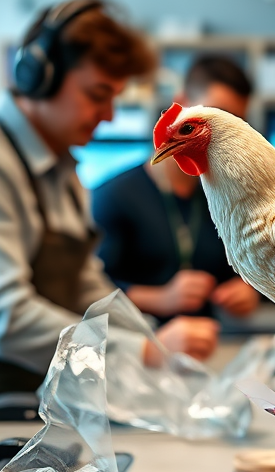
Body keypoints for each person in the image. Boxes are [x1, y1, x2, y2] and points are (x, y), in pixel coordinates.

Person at [0, 0, 218, 395]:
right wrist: (142, 352)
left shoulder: (61, 164)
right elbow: (7, 320)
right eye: (97, 94)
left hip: (48, 392)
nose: (108, 115)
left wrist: (157, 341)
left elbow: (87, 286)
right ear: (40, 77)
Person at [93, 55, 259, 325]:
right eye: (214, 114)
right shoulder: (112, 197)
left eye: (236, 121)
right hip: (137, 350)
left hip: (209, 348)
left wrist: (250, 291)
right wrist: (161, 298)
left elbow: (246, 270)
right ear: (181, 104)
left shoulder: (232, 198)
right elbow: (90, 292)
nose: (223, 132)